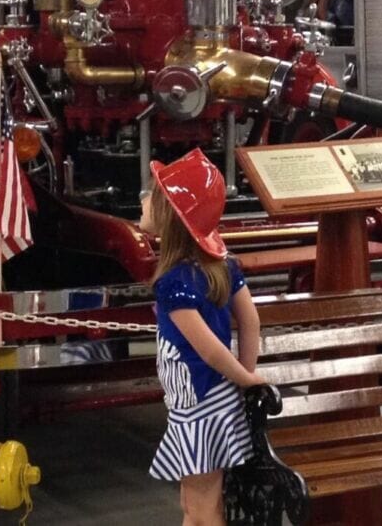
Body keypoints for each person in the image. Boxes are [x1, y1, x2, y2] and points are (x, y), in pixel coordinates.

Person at [144, 149, 264, 526]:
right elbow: (250, 321)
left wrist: (246, 379)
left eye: (153, 196)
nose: (144, 200)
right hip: (214, 399)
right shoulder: (224, 266)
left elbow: (208, 351)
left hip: (198, 405)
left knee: (203, 505)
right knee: (193, 501)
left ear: (172, 218)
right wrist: (243, 377)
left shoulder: (172, 283)